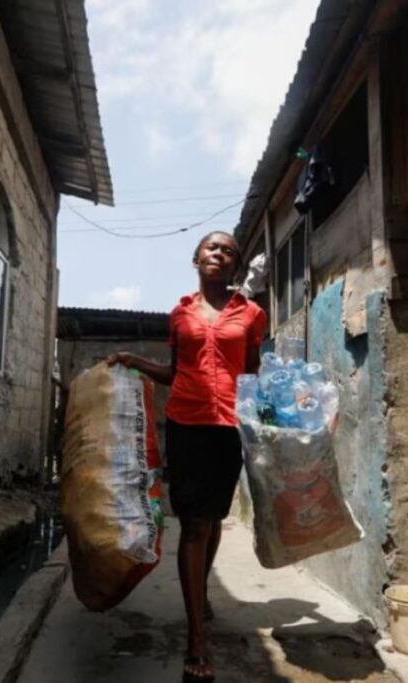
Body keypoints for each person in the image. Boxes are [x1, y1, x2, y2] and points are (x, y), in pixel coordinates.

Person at [107, 230, 266, 683]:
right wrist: (135, 360)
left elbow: (251, 372)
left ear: (235, 267)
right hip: (187, 423)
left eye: (229, 251)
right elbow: (176, 372)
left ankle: (200, 592)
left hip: (229, 427)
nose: (220, 254)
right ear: (196, 258)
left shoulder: (252, 314)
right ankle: (197, 638)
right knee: (194, 523)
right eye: (212, 248)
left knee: (213, 517)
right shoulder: (179, 315)